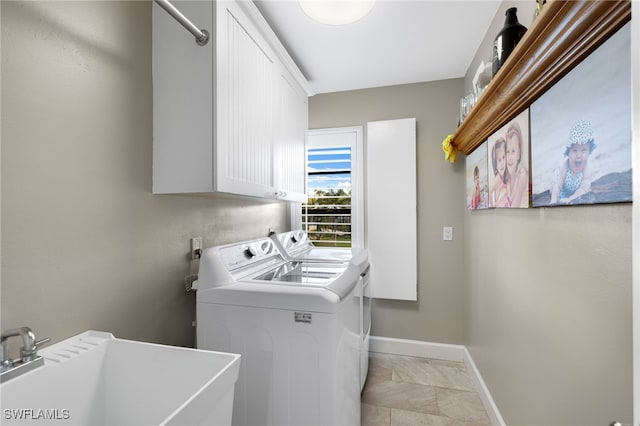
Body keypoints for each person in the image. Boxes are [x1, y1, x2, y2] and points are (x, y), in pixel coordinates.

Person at [550, 119, 596, 204]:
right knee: (553, 187)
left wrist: (570, 199)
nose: (579, 155)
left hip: (577, 191)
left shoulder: (587, 168)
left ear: (589, 152)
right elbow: (559, 185)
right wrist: (553, 200)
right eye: (575, 150)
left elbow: (583, 189)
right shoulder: (566, 165)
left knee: (587, 190)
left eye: (584, 150)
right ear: (568, 152)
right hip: (564, 190)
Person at [505, 121, 529, 208]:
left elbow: (514, 207)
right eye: (508, 152)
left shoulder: (522, 175)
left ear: (519, 154)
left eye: (513, 151)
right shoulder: (508, 177)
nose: (509, 157)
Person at [489, 137, 509, 207]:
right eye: (499, 160)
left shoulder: (505, 176)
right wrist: (492, 206)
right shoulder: (498, 179)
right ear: (495, 164)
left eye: (504, 157)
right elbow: (489, 191)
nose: (502, 163)